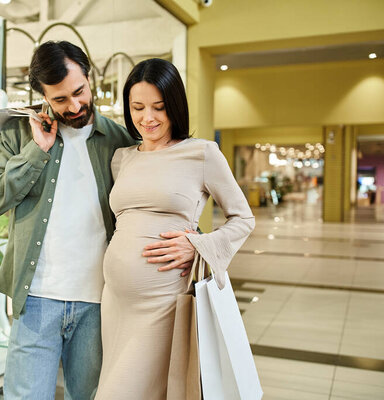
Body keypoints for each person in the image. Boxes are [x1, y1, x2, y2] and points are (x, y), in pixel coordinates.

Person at [0, 42, 195, 399]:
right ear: (43, 95)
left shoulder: (122, 141)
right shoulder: (19, 134)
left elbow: (170, 201)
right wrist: (38, 150)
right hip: (35, 299)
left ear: (89, 76)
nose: (75, 105)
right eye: (60, 100)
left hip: (101, 302)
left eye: (79, 92)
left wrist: (194, 240)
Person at [94, 58, 255, 399]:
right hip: (116, 301)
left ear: (175, 106)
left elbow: (243, 218)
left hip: (162, 302)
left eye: (159, 107)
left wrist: (199, 245)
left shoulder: (201, 153)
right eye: (137, 107)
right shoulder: (122, 157)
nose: (147, 118)